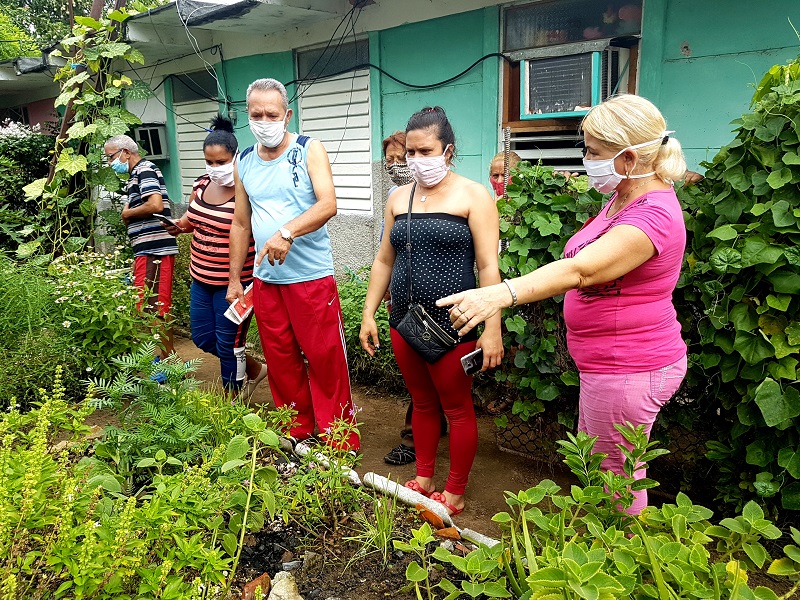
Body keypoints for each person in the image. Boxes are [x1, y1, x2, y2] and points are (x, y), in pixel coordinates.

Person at [437, 94, 688, 515]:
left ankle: (619, 560)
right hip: (609, 366)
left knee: (615, 479)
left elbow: (582, 271)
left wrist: (500, 293)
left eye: (593, 151)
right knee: (604, 468)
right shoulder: (625, 196)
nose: (586, 158)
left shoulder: (654, 214)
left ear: (627, 158)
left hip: (629, 367)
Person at [360, 106, 504, 516]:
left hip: (455, 324)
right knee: (421, 403)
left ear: (448, 150)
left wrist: (491, 327)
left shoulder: (475, 195)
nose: (418, 160)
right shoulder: (397, 198)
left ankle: (455, 492)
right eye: (412, 153)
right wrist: (369, 312)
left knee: (457, 408)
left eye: (427, 151)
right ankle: (423, 478)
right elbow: (384, 260)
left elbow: (488, 266)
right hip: (404, 321)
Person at [227, 78, 359, 450]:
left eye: (272, 114)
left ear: (287, 115)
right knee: (281, 360)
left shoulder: (308, 149)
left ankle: (339, 440)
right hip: (266, 281)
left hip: (311, 277)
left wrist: (287, 232)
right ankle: (297, 431)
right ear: (247, 116)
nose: (264, 120)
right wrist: (235, 278)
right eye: (256, 114)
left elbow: (328, 204)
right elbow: (240, 221)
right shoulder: (244, 161)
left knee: (325, 358)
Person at [161, 115, 267, 398]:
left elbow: (248, 230)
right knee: (203, 338)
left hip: (235, 285)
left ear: (236, 158)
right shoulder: (201, 185)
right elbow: (190, 220)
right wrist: (177, 226)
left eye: (221, 162)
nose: (214, 168)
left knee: (229, 344)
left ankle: (232, 401)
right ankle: (256, 370)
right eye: (209, 162)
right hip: (201, 279)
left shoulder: (249, 191)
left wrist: (236, 282)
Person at [380, 130, 447, 466]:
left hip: (441, 307)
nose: (400, 165)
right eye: (394, 159)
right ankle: (417, 436)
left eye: (401, 156)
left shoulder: (457, 195)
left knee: (439, 378)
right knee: (419, 384)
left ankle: (417, 434)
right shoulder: (396, 197)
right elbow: (386, 254)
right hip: (402, 303)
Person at [104, 134, 178, 359]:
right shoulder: (137, 174)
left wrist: (127, 213)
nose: (110, 163)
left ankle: (169, 362)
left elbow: (155, 204)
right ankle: (168, 359)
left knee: (154, 307)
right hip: (149, 249)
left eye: (111, 157)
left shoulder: (144, 169)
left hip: (155, 249)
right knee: (150, 306)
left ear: (126, 152)